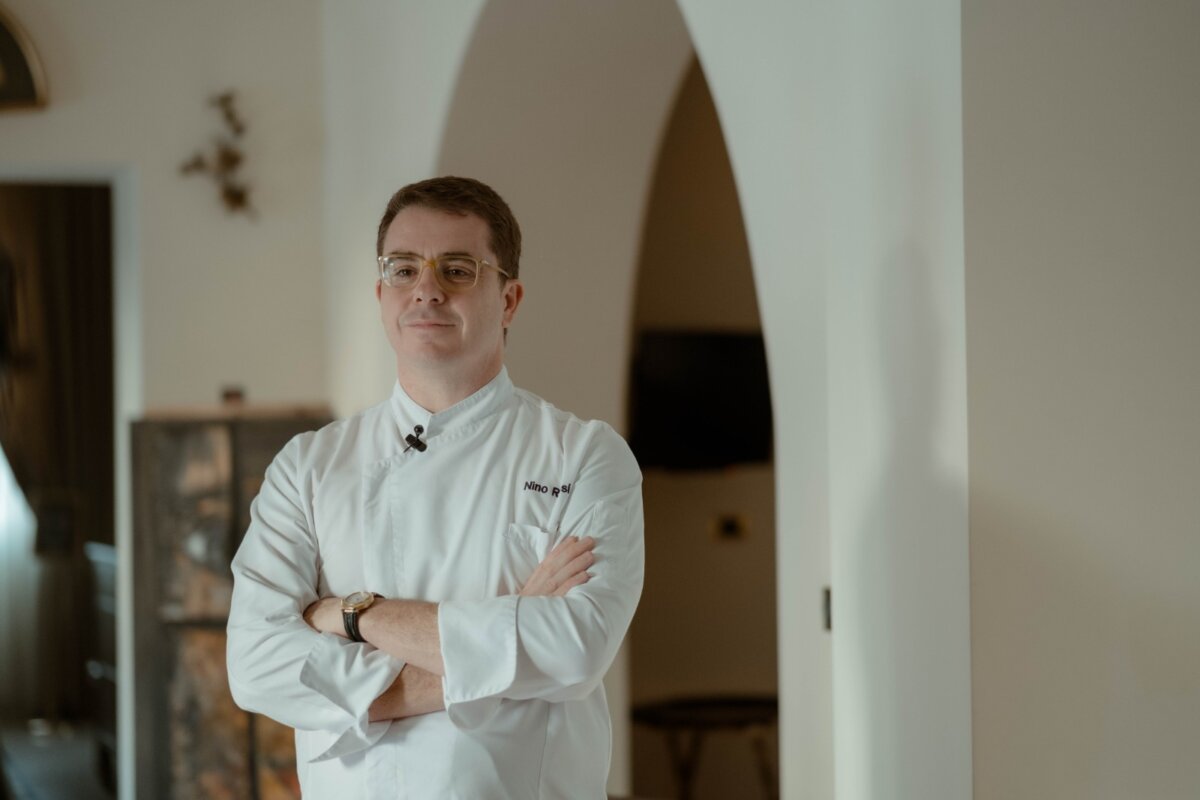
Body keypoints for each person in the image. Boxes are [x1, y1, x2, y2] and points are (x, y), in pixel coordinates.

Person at [226, 176, 644, 799]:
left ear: (509, 300)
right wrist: (508, 635)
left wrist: (352, 615)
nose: (426, 289)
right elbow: (256, 665)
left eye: (457, 269)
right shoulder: (308, 467)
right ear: (381, 294)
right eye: (403, 269)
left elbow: (574, 648)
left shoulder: (584, 455)